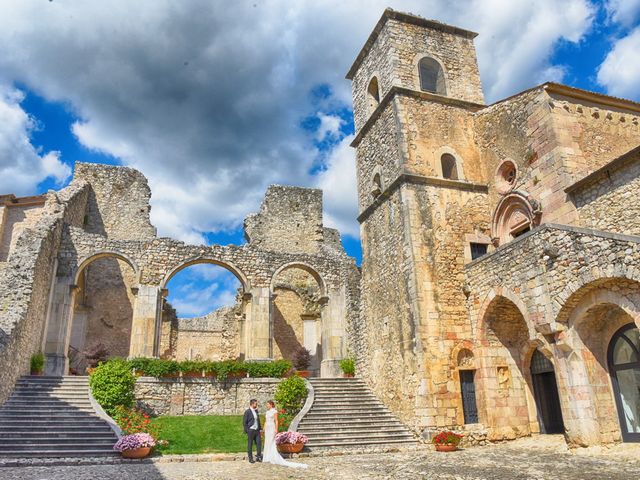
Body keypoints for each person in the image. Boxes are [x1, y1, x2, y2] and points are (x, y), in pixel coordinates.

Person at [262, 400, 307, 469]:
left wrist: (276, 429)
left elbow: (276, 421)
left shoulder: (274, 411)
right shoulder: (267, 412)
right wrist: (264, 429)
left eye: (268, 404)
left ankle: (272, 456)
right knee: (267, 442)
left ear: (271, 404)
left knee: (271, 442)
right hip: (267, 428)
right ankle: (267, 457)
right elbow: (266, 421)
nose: (267, 405)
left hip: (272, 427)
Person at [243, 399, 262, 463]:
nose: (256, 405)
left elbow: (258, 420)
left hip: (257, 430)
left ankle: (259, 457)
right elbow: (244, 422)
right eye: (255, 404)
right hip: (251, 430)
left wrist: (260, 428)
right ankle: (250, 458)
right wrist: (247, 430)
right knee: (250, 444)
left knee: (259, 443)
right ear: (252, 404)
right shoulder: (247, 412)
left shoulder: (256, 411)